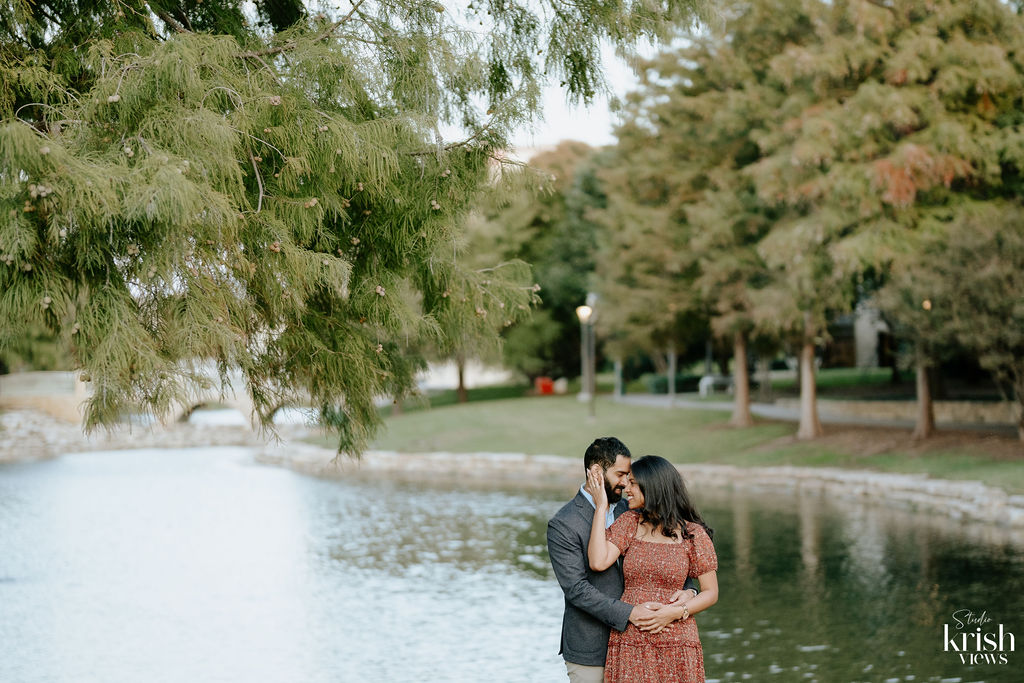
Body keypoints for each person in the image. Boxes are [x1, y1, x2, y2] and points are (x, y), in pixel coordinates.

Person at [548, 438, 698, 683]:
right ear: (596, 471)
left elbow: (669, 553)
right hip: (592, 647)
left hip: (641, 642)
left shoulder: (632, 510)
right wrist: (630, 613)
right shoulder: (564, 524)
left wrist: (689, 590)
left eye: (629, 476)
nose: (626, 483)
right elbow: (577, 589)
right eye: (620, 474)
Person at [585, 454, 718, 682]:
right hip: (631, 639)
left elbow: (711, 592)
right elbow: (598, 562)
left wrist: (674, 612)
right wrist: (601, 508)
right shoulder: (629, 523)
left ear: (653, 487)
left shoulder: (693, 534)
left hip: (677, 640)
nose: (626, 488)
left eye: (633, 483)